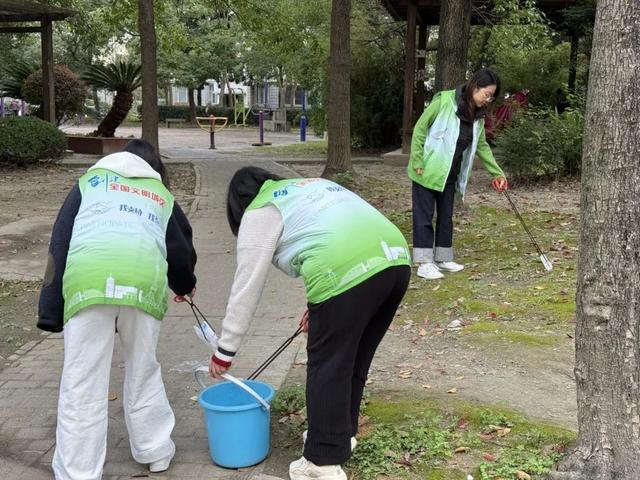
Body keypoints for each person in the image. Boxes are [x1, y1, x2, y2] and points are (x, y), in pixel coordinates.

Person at [208, 167, 411, 480]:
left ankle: (321, 462)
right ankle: (341, 436)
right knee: (353, 357)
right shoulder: (308, 187)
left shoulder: (260, 210)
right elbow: (328, 235)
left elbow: (246, 286)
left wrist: (225, 350)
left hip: (346, 272)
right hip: (395, 260)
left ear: (237, 206)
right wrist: (318, 307)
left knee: (327, 365)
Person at [37, 139, 197, 479]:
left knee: (82, 379)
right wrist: (183, 286)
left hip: (88, 279)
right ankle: (156, 451)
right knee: (143, 367)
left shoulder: (89, 183)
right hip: (142, 282)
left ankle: (78, 471)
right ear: (156, 167)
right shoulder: (160, 193)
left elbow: (60, 242)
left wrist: (50, 310)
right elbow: (180, 247)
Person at [408, 68, 509, 280]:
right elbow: (420, 128)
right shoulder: (445, 101)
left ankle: (443, 258)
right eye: (486, 94)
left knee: (446, 217)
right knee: (424, 218)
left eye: (491, 96)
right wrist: (417, 159)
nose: (488, 100)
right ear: (475, 87)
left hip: (449, 174)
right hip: (426, 170)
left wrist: (496, 173)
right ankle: (424, 263)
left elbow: (482, 146)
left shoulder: (478, 118)